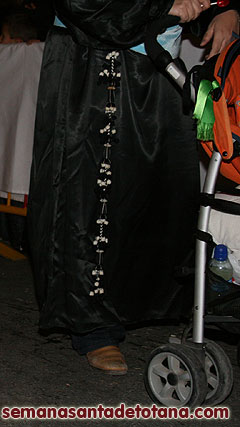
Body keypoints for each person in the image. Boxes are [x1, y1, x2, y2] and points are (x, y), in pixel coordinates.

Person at [27, 0, 240, 375]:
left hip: (161, 65)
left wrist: (224, 11)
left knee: (161, 194)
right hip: (94, 66)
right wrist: (166, 4)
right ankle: (94, 326)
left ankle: (138, 306)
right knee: (93, 203)